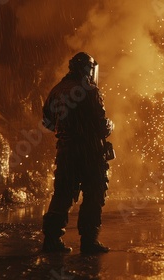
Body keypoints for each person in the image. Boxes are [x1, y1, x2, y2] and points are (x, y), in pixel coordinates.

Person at [41, 52, 113, 254]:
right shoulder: (89, 90)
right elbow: (101, 126)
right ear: (85, 69)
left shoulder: (56, 90)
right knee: (94, 194)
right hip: (90, 152)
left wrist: (66, 131)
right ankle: (89, 242)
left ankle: (51, 241)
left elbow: (47, 122)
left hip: (66, 151)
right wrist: (109, 126)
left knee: (63, 194)